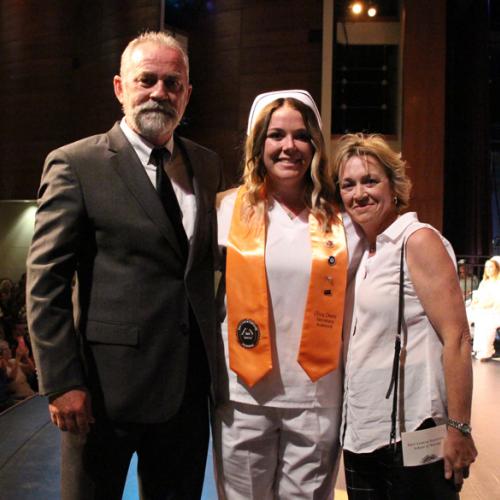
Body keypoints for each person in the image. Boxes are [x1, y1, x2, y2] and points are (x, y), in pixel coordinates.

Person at [26, 31, 224, 500]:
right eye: (147, 80)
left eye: (173, 83)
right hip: (99, 397)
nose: (160, 92)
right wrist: (62, 382)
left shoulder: (208, 165)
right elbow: (45, 282)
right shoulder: (76, 163)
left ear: (187, 94)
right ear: (120, 88)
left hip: (187, 396)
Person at [214, 90, 362, 499]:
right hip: (242, 394)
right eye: (276, 135)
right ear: (258, 143)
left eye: (301, 136)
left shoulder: (344, 221)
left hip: (316, 395)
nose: (289, 146)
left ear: (315, 144)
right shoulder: (225, 211)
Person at [332, 133, 477, 499]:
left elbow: (457, 337)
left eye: (370, 181)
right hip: (362, 436)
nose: (359, 193)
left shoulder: (417, 240)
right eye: (348, 184)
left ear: (393, 186)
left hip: (414, 434)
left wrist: (459, 427)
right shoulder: (363, 253)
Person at [471, 257, 500, 360]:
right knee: (468, 314)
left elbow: (497, 300)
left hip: (495, 310)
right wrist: (475, 301)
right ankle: (477, 347)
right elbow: (478, 295)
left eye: (491, 267)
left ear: (497, 268)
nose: (488, 269)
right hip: (483, 308)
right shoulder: (484, 282)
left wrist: (485, 305)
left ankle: (486, 350)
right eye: (486, 267)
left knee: (485, 319)